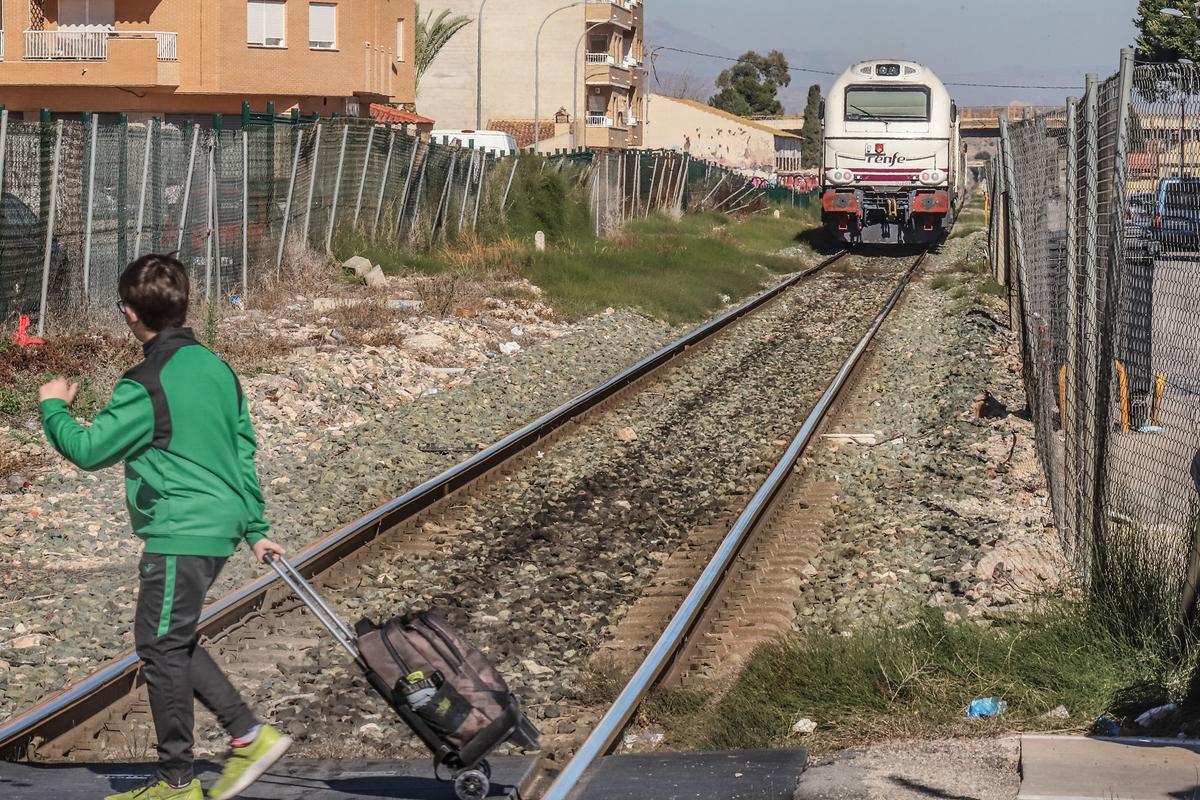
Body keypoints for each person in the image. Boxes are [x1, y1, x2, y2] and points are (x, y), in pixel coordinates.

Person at [38, 254, 293, 800]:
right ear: (187, 303)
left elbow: (88, 450)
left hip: (183, 526)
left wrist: (53, 408)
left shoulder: (145, 381)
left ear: (129, 313)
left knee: (158, 645)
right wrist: (255, 527)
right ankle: (247, 735)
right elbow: (241, 451)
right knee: (168, 640)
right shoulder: (219, 369)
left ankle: (180, 781)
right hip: (219, 523)